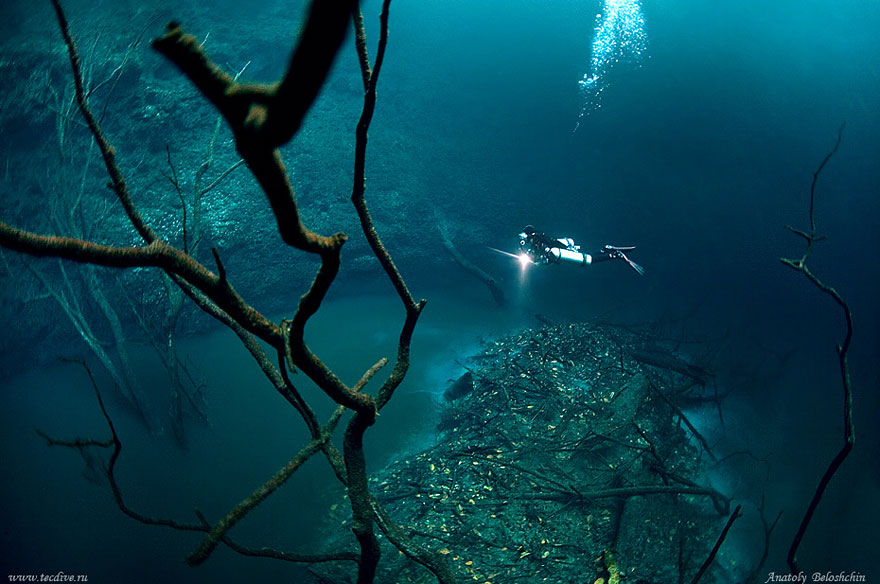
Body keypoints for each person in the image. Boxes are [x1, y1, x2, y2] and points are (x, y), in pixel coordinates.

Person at [518, 225, 644, 274]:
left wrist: (543, 259)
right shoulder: (537, 242)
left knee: (588, 261)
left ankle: (616, 255)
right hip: (563, 252)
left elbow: (550, 248)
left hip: (564, 251)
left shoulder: (539, 240)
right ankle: (606, 249)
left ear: (530, 235)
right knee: (589, 258)